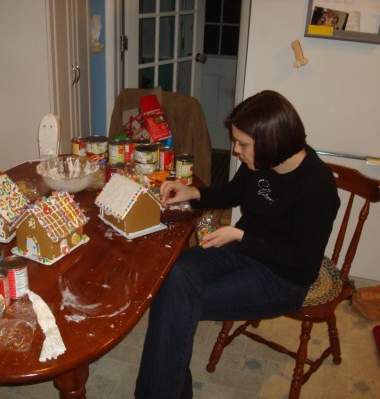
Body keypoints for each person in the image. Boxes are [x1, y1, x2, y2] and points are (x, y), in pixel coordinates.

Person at [134, 90, 340, 399]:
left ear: (272, 143)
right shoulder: (261, 162)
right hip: (243, 249)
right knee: (171, 280)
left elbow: (304, 266)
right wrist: (194, 194)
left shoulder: (317, 187)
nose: (235, 151)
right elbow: (234, 192)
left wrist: (241, 236)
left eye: (243, 144)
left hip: (283, 278)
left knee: (177, 306)